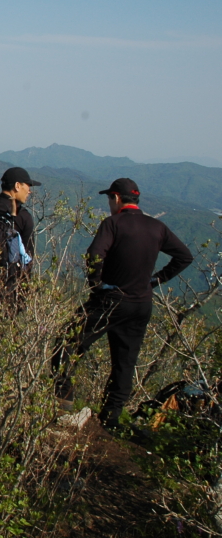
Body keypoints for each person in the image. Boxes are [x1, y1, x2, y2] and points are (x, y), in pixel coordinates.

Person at [52, 178, 193, 429]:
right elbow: (184, 256)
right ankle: (111, 418)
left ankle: (63, 404)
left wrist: (96, 284)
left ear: (116, 198)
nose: (109, 204)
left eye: (109, 199)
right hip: (141, 305)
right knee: (124, 363)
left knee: (65, 343)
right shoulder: (157, 227)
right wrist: (156, 280)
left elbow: (95, 254)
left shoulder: (113, 224)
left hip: (111, 301)